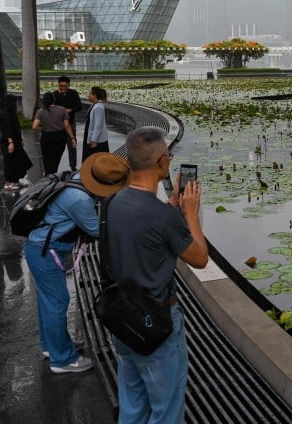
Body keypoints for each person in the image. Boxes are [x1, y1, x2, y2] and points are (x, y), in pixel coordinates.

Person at [106, 127, 208, 424]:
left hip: (122, 318)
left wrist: (174, 204)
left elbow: (145, 226)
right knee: (165, 410)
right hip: (157, 324)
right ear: (163, 162)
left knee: (133, 404)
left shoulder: (113, 202)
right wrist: (189, 213)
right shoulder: (163, 217)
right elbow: (200, 258)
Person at [25, 152, 130, 374]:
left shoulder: (76, 178)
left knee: (48, 302)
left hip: (41, 248)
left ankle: (51, 346)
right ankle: (62, 360)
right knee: (57, 302)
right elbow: (98, 230)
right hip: (45, 252)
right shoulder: (79, 199)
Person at [32, 92, 76, 175]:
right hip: (60, 137)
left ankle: (48, 175)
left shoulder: (41, 111)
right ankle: (53, 175)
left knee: (47, 160)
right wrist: (72, 137)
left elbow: (34, 126)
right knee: (56, 159)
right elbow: (67, 126)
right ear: (54, 100)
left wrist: (42, 128)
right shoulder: (62, 109)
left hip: (46, 137)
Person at [0, 94, 33, 190]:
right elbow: (7, 129)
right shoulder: (6, 115)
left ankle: (16, 180)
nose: (17, 104)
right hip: (9, 142)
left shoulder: (12, 113)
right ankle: (8, 183)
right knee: (10, 162)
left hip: (15, 141)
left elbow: (16, 128)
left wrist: (20, 139)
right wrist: (11, 142)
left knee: (19, 161)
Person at [52, 75, 83, 171]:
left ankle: (73, 166)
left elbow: (79, 106)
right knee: (57, 146)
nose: (62, 88)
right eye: (61, 86)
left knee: (72, 145)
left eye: (65, 86)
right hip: (58, 125)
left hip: (70, 122)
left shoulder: (73, 93)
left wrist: (70, 110)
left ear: (68, 85)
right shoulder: (54, 95)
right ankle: (54, 166)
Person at [81, 86, 110, 162]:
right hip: (91, 136)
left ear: (95, 95)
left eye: (90, 93)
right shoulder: (94, 105)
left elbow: (98, 125)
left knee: (96, 161)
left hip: (98, 141)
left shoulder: (98, 107)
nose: (88, 95)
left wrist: (94, 140)